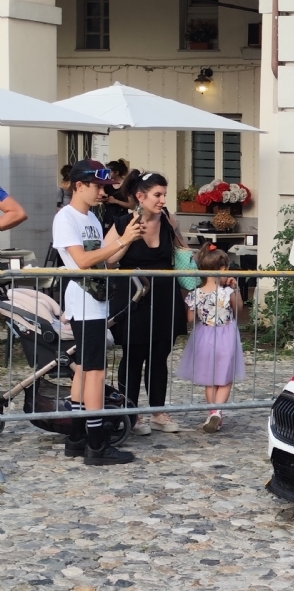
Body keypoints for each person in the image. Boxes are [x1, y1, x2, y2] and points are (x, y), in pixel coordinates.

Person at [53, 160, 144, 464]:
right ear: (79, 185)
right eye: (96, 186)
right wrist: (119, 241)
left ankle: (77, 437)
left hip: (95, 298)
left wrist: (126, 240)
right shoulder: (66, 217)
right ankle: (96, 444)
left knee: (83, 367)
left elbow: (106, 261)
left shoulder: (91, 216)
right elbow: (80, 260)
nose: (101, 192)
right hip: (83, 300)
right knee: (94, 371)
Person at [104, 171, 189, 435]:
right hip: (135, 297)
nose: (163, 200)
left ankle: (158, 413)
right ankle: (131, 413)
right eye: (157, 195)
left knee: (159, 355)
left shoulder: (168, 220)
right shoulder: (122, 223)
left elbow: (182, 252)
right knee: (133, 355)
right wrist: (127, 238)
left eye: (164, 194)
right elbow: (108, 261)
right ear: (141, 197)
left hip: (164, 296)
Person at [177, 244, 245, 433]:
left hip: (204, 335)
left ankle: (212, 412)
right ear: (223, 269)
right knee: (225, 377)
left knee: (210, 378)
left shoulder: (195, 293)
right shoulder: (227, 292)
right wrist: (235, 288)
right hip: (226, 334)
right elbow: (238, 309)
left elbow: (191, 318)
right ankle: (217, 412)